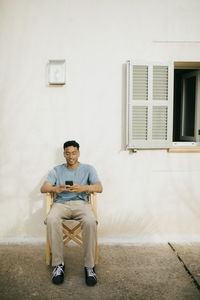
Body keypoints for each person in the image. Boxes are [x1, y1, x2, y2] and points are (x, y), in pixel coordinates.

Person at [40, 140, 103, 286]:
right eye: (67, 153)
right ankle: (58, 265)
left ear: (78, 153)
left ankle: (89, 267)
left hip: (82, 205)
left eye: (74, 153)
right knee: (51, 219)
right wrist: (56, 189)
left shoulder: (88, 169)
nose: (71, 156)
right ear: (64, 154)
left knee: (90, 221)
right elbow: (44, 188)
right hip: (61, 204)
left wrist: (83, 188)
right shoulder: (57, 170)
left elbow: (99, 187)